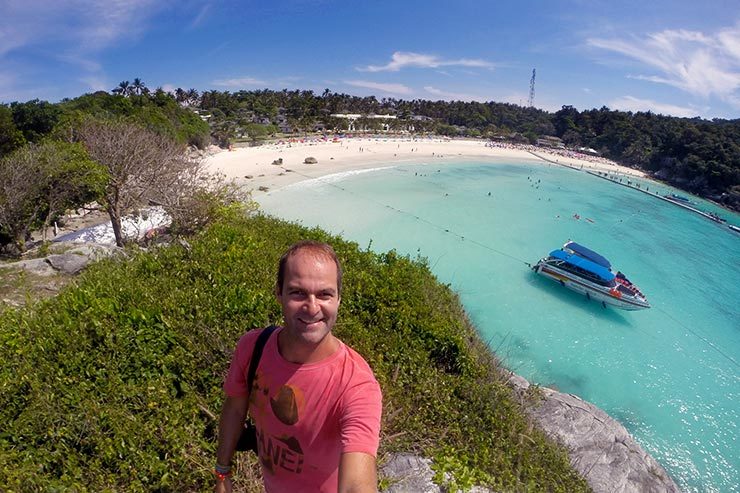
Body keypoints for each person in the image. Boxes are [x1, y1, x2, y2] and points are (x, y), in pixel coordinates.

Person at [214, 241, 382, 493]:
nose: (312, 307)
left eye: (325, 294)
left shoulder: (357, 385)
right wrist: (221, 472)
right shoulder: (253, 347)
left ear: (338, 299)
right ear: (278, 293)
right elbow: (235, 410)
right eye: (297, 293)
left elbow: (356, 484)